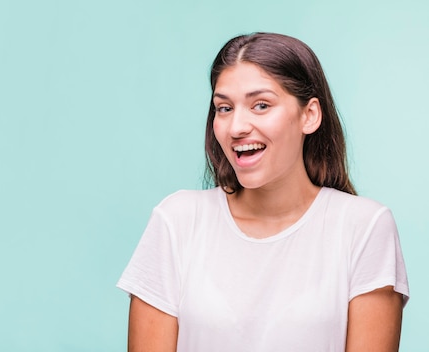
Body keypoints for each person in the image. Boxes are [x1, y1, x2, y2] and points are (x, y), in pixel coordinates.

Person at [117, 32, 409, 351]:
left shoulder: (364, 227)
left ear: (309, 115)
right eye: (224, 108)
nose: (237, 127)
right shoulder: (177, 221)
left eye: (261, 105)